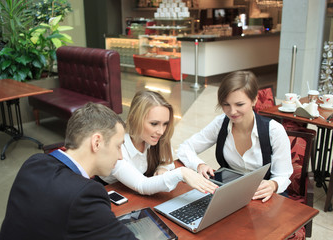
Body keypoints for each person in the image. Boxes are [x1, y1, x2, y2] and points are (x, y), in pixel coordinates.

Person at [0, 102, 137, 240]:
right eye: (118, 146)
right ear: (97, 143)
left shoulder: (34, 162)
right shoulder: (84, 196)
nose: (120, 156)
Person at [177, 71, 293, 202]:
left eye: (239, 104)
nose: (232, 112)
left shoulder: (274, 131)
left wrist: (273, 184)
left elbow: (283, 175)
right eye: (226, 104)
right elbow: (185, 148)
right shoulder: (220, 123)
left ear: (254, 99)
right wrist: (199, 165)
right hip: (229, 191)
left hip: (262, 195)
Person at [100, 90, 217, 195]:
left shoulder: (153, 138)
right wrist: (181, 172)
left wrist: (163, 169)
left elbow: (167, 161)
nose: (161, 131)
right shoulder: (118, 148)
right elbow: (142, 185)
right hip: (109, 193)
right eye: (154, 124)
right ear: (135, 119)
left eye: (165, 123)